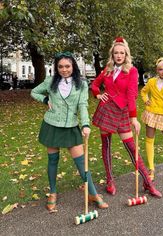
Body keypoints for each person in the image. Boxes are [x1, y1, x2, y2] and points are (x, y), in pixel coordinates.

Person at [31, 51, 108, 213]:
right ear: (56, 68)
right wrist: (45, 100)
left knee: (81, 162)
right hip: (51, 125)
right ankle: (52, 192)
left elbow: (82, 105)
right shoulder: (50, 81)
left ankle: (92, 193)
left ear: (73, 66)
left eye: (67, 66)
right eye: (60, 67)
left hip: (71, 126)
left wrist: (85, 124)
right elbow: (34, 92)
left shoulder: (81, 83)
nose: (64, 69)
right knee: (53, 160)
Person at [91, 37, 162, 198]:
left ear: (126, 54)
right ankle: (110, 180)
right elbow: (94, 85)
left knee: (131, 147)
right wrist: (98, 95)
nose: (118, 55)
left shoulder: (132, 70)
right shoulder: (107, 69)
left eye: (121, 53)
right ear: (112, 54)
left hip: (122, 111)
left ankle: (147, 182)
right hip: (107, 110)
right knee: (106, 146)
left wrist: (134, 118)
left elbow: (131, 94)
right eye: (116, 53)